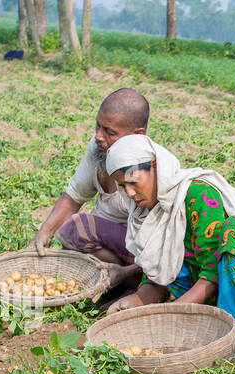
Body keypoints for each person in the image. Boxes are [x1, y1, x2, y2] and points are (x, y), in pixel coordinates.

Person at [102, 135, 235, 354]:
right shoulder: (151, 209)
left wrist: (170, 313)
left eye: (133, 182)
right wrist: (132, 302)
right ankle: (214, 315)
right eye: (123, 186)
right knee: (172, 252)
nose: (130, 193)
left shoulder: (197, 193)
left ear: (155, 166)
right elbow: (159, 277)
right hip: (210, 282)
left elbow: (213, 272)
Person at [32, 89, 150, 289]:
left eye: (109, 132)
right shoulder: (99, 149)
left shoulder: (147, 168)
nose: (98, 136)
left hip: (139, 253)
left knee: (78, 227)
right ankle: (110, 279)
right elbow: (73, 197)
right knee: (72, 236)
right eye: (98, 126)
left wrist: (127, 272)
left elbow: (157, 242)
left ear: (137, 135)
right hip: (104, 243)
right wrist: (45, 233)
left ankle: (127, 282)